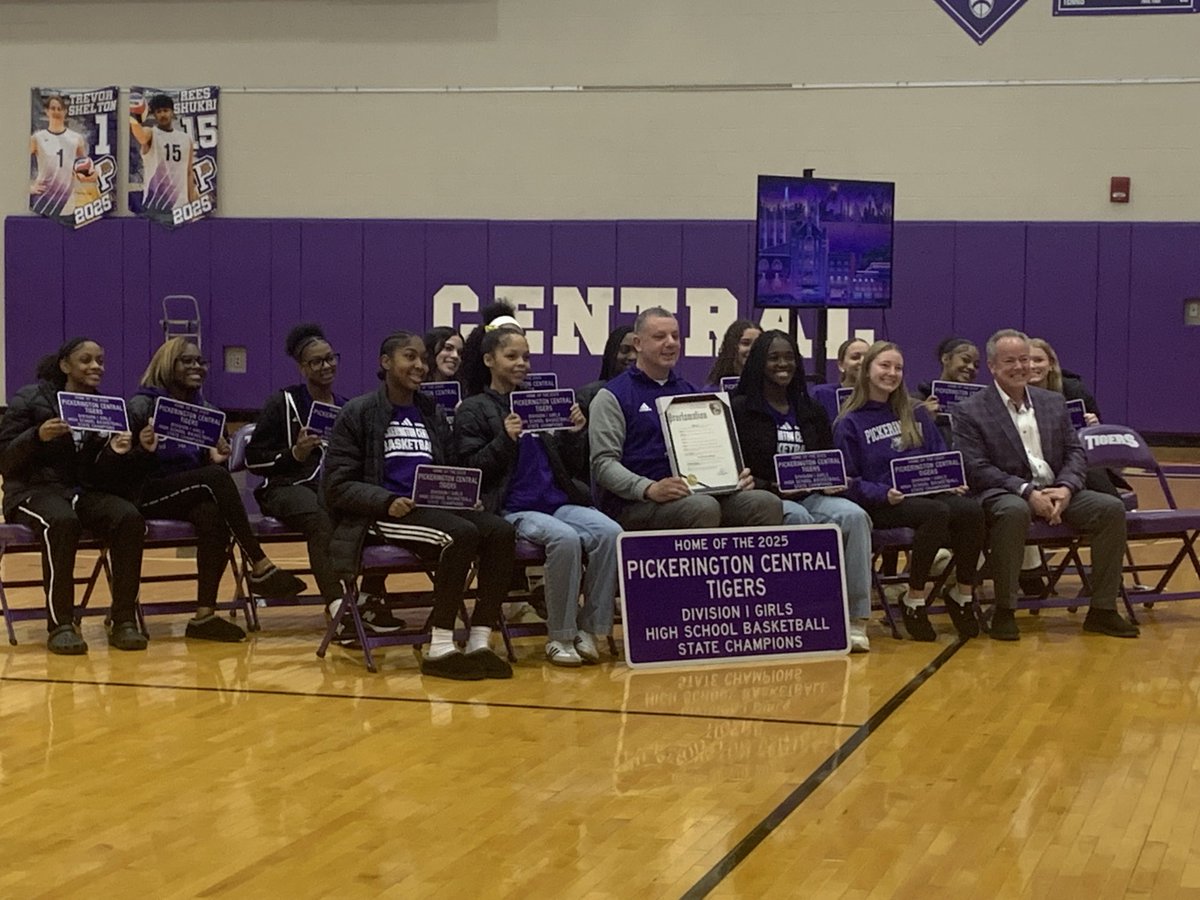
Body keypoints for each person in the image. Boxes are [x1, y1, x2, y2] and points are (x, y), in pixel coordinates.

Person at [323, 330, 516, 680]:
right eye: (409, 357)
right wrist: (385, 501)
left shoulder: (430, 411)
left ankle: (479, 639)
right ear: (386, 362)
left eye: (422, 359)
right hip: (383, 514)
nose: (420, 365)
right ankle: (439, 645)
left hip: (433, 508)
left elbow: (451, 466)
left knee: (501, 532)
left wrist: (462, 492)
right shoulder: (359, 412)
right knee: (460, 535)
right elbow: (336, 485)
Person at [951, 329, 1139, 641]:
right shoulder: (970, 410)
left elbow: (1075, 452)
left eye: (1024, 359)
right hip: (1005, 492)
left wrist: (1065, 488)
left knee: (1110, 508)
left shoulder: (1053, 402)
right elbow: (975, 466)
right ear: (993, 366)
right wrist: (1027, 492)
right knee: (1013, 512)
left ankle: (1103, 610)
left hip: (1057, 489)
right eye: (1010, 361)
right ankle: (1005, 610)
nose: (1020, 367)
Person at [454, 328, 621, 666]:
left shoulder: (539, 403)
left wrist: (576, 433)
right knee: (564, 539)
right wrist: (505, 438)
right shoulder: (473, 409)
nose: (522, 364)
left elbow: (570, 464)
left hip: (557, 501)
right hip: (511, 507)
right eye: (512, 356)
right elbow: (470, 468)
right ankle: (559, 635)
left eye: (526, 357)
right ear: (489, 360)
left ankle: (589, 629)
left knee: (611, 533)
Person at [125, 338, 306, 642]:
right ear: (168, 365)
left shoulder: (207, 412)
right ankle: (259, 563)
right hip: (143, 491)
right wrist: (143, 449)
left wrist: (218, 459)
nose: (197, 367)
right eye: (187, 361)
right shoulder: (142, 405)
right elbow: (117, 464)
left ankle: (203, 616)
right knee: (213, 480)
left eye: (200, 362)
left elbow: (211, 476)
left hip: (189, 490)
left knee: (213, 516)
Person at [245, 323, 400, 632]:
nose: (327, 365)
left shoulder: (347, 407)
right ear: (303, 368)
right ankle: (339, 610)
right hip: (285, 487)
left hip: (333, 487)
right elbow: (253, 460)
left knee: (380, 512)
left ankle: (369, 599)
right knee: (321, 516)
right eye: (317, 361)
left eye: (331, 358)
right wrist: (295, 454)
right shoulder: (284, 402)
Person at [0, 338, 151, 654]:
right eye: (86, 360)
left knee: (128, 517)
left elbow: (101, 475)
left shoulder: (105, 408)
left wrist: (117, 451)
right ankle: (61, 625)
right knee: (62, 522)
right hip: (30, 492)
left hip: (79, 491)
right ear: (65, 365)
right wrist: (36, 437)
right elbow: (6, 460)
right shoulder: (30, 398)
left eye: (100, 360)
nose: (96, 366)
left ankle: (123, 620)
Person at [731, 330, 874, 652]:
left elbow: (827, 456)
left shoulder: (810, 408)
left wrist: (835, 479)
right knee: (799, 521)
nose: (783, 364)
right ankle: (804, 616)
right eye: (774, 357)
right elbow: (736, 468)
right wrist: (767, 485)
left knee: (854, 516)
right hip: (769, 497)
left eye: (789, 357)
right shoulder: (739, 409)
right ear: (758, 363)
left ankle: (855, 620)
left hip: (813, 494)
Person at [834, 341, 985, 641]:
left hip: (923, 493)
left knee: (971, 510)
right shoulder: (849, 421)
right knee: (936, 513)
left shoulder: (914, 412)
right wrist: (882, 494)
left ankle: (962, 593)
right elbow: (846, 481)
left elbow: (938, 455)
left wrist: (950, 479)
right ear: (867, 371)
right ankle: (915, 599)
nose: (892, 373)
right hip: (882, 502)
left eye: (898, 368)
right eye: (884, 366)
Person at [590, 307, 782, 530]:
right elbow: (603, 464)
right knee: (702, 508)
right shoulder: (612, 396)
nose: (670, 343)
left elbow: (714, 451)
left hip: (696, 493)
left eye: (675, 336)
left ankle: (742, 565)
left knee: (766, 503)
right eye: (660, 337)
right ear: (638, 343)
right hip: (637, 503)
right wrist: (648, 488)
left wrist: (733, 475)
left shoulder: (692, 393)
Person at [129, 93, 196, 220]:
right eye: (159, 111)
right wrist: (134, 119)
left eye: (166, 110)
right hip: (155, 205)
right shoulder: (151, 133)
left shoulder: (186, 139)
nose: (163, 114)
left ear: (172, 112)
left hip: (180, 207)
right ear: (154, 114)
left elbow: (189, 173)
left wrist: (192, 204)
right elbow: (141, 136)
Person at [29, 93, 88, 220]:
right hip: (43, 198)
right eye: (53, 108)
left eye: (59, 108)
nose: (56, 111)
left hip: (67, 199)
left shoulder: (76, 138)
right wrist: (30, 187)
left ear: (65, 111)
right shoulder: (37, 138)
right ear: (46, 111)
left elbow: (84, 166)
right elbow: (17, 164)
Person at [576, 325, 636, 417]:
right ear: (611, 353)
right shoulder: (588, 396)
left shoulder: (654, 393)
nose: (633, 356)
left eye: (638, 351)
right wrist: (577, 431)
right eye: (624, 350)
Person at [811, 337, 870, 423]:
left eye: (867, 358)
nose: (862, 361)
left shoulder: (878, 396)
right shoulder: (821, 394)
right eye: (855, 357)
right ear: (841, 365)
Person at [705, 319, 761, 388]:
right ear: (731, 346)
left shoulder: (771, 389)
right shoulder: (714, 390)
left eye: (757, 344)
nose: (752, 349)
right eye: (745, 343)